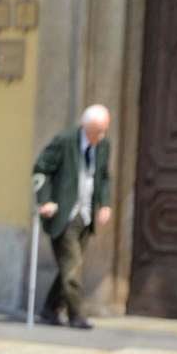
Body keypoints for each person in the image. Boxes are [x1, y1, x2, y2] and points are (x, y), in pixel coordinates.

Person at [31, 104, 114, 329]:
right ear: (86, 127)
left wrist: (105, 205)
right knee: (72, 266)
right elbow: (41, 168)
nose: (102, 136)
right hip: (63, 213)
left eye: (104, 131)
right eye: (98, 131)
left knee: (70, 267)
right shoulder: (65, 141)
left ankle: (49, 309)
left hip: (85, 216)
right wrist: (45, 200)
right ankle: (77, 315)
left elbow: (104, 177)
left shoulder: (103, 146)